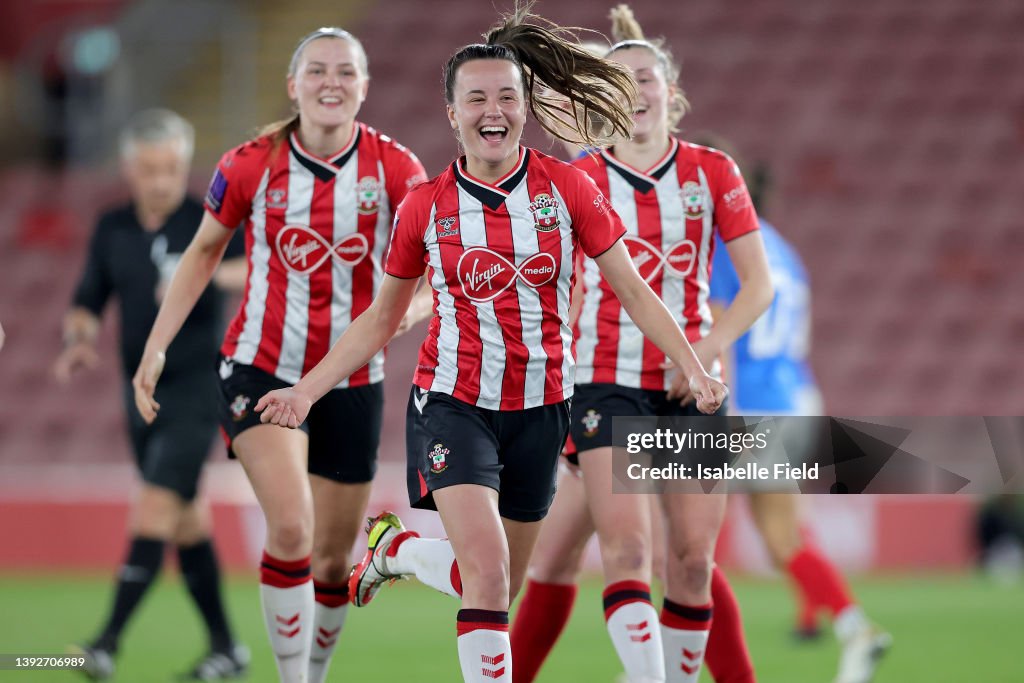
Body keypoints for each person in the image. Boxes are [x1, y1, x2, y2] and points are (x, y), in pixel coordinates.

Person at [254, 5, 728, 682]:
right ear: (452, 114)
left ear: (526, 107)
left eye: (508, 95)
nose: (493, 109)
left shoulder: (569, 188)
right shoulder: (426, 205)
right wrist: (307, 389)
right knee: (487, 572)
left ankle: (402, 552)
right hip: (454, 403)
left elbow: (633, 288)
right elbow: (381, 318)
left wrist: (693, 363)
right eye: (476, 98)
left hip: (542, 409)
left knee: (499, 585)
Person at [131, 28, 427, 683]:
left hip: (354, 379)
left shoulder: (398, 169)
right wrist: (156, 345)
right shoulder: (250, 163)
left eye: (346, 72)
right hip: (259, 368)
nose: (332, 82)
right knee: (291, 528)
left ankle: (313, 673)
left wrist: (417, 304)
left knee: (329, 559)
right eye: (317, 71)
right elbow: (203, 252)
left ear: (365, 89)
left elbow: (439, 268)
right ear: (293, 85)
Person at [512, 7, 773, 683]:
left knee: (690, 560)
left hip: (694, 382)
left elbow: (757, 285)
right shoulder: (583, 177)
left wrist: (708, 349)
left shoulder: (712, 171)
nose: (640, 90)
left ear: (671, 91)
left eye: (649, 77)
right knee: (626, 548)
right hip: (605, 379)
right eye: (623, 80)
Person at [53, 108, 248, 681]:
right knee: (185, 521)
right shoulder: (112, 227)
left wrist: (202, 270)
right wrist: (78, 339)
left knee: (158, 505)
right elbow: (88, 299)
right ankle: (226, 650)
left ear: (184, 166)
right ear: (129, 169)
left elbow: (254, 269)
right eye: (150, 169)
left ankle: (105, 643)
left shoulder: (205, 222)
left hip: (196, 390)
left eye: (171, 168)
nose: (162, 180)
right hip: (135, 392)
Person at [705, 138, 892, 683]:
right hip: (792, 398)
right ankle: (855, 627)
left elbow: (722, 334)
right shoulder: (786, 252)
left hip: (747, 406)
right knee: (782, 537)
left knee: (687, 538)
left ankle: (674, 660)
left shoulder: (723, 248)